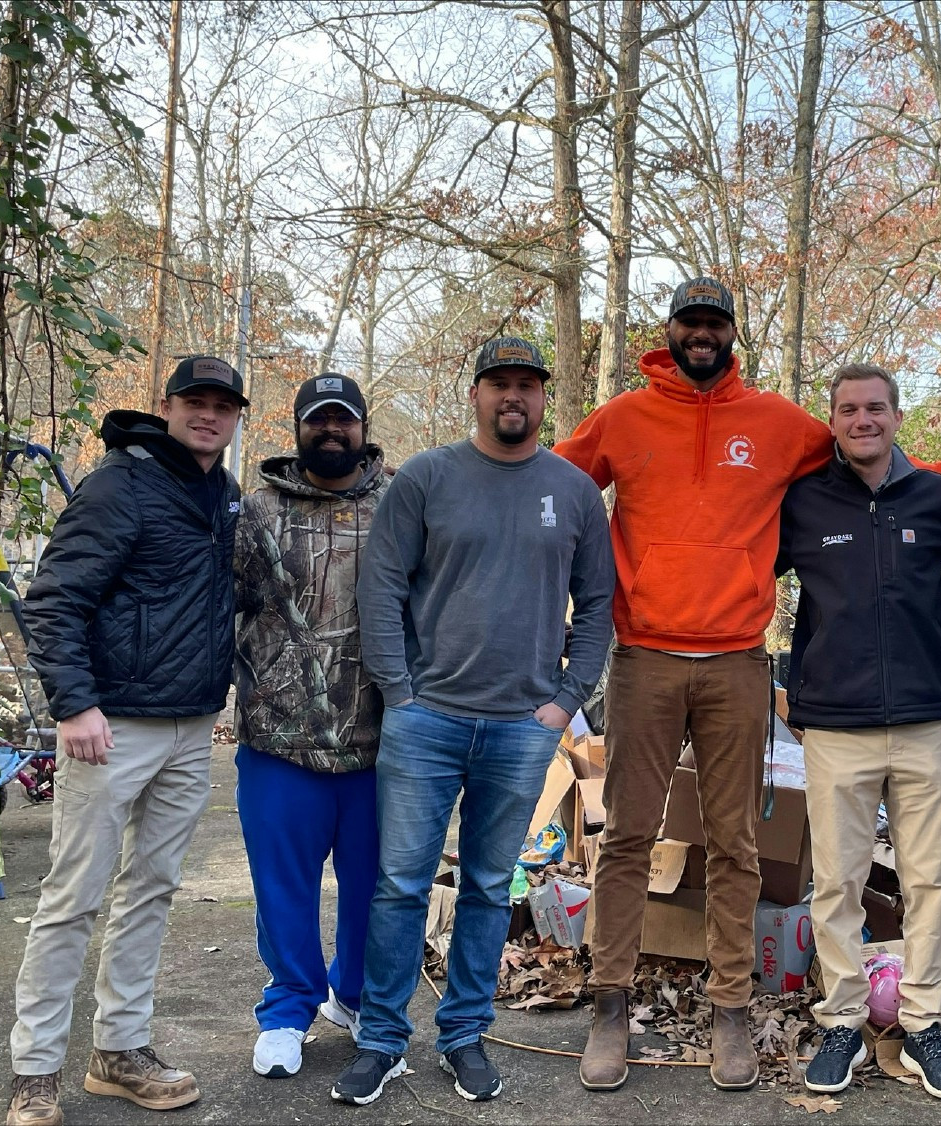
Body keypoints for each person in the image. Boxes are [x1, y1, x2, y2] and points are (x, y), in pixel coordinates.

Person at [556, 277, 941, 1093]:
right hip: (643, 657)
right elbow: (555, 483)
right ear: (672, 331)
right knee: (626, 837)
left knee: (735, 844)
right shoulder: (623, 417)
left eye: (716, 324)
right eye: (691, 323)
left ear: (731, 334)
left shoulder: (784, 424)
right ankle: (610, 1004)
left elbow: (884, 466)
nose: (703, 336)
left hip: (737, 663)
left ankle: (729, 1012)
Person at [332, 336, 614, 1107]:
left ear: (541, 397)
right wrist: (400, 688)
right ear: (477, 394)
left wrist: (566, 697)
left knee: (490, 886)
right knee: (400, 884)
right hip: (427, 721)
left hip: (524, 727)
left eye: (527, 384)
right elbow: (381, 588)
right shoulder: (427, 477)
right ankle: (382, 1040)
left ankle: (463, 1035)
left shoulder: (574, 489)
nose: (512, 397)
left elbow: (598, 607)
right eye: (499, 384)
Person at [8, 357, 246, 1126]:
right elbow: (53, 600)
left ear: (236, 416)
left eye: (222, 406)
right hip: (110, 728)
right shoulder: (121, 483)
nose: (209, 416)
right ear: (168, 407)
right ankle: (36, 1069)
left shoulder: (224, 495)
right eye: (195, 403)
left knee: (151, 890)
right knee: (73, 896)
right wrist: (74, 706)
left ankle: (119, 1050)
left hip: (189, 728)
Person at [775, 363, 941, 1101]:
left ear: (897, 416)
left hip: (927, 717)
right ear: (832, 421)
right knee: (837, 882)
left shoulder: (939, 497)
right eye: (849, 410)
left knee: (931, 881)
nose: (863, 420)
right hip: (835, 721)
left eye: (876, 409)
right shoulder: (803, 503)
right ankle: (842, 1023)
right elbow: (748, 573)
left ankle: (925, 1026)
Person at [233, 373, 389, 1078]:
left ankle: (352, 997)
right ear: (298, 429)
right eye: (318, 421)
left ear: (362, 428)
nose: (332, 432)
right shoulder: (256, 510)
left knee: (374, 887)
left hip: (381, 742)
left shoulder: (401, 505)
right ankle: (289, 1007)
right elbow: (221, 606)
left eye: (344, 421)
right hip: (279, 740)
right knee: (283, 887)